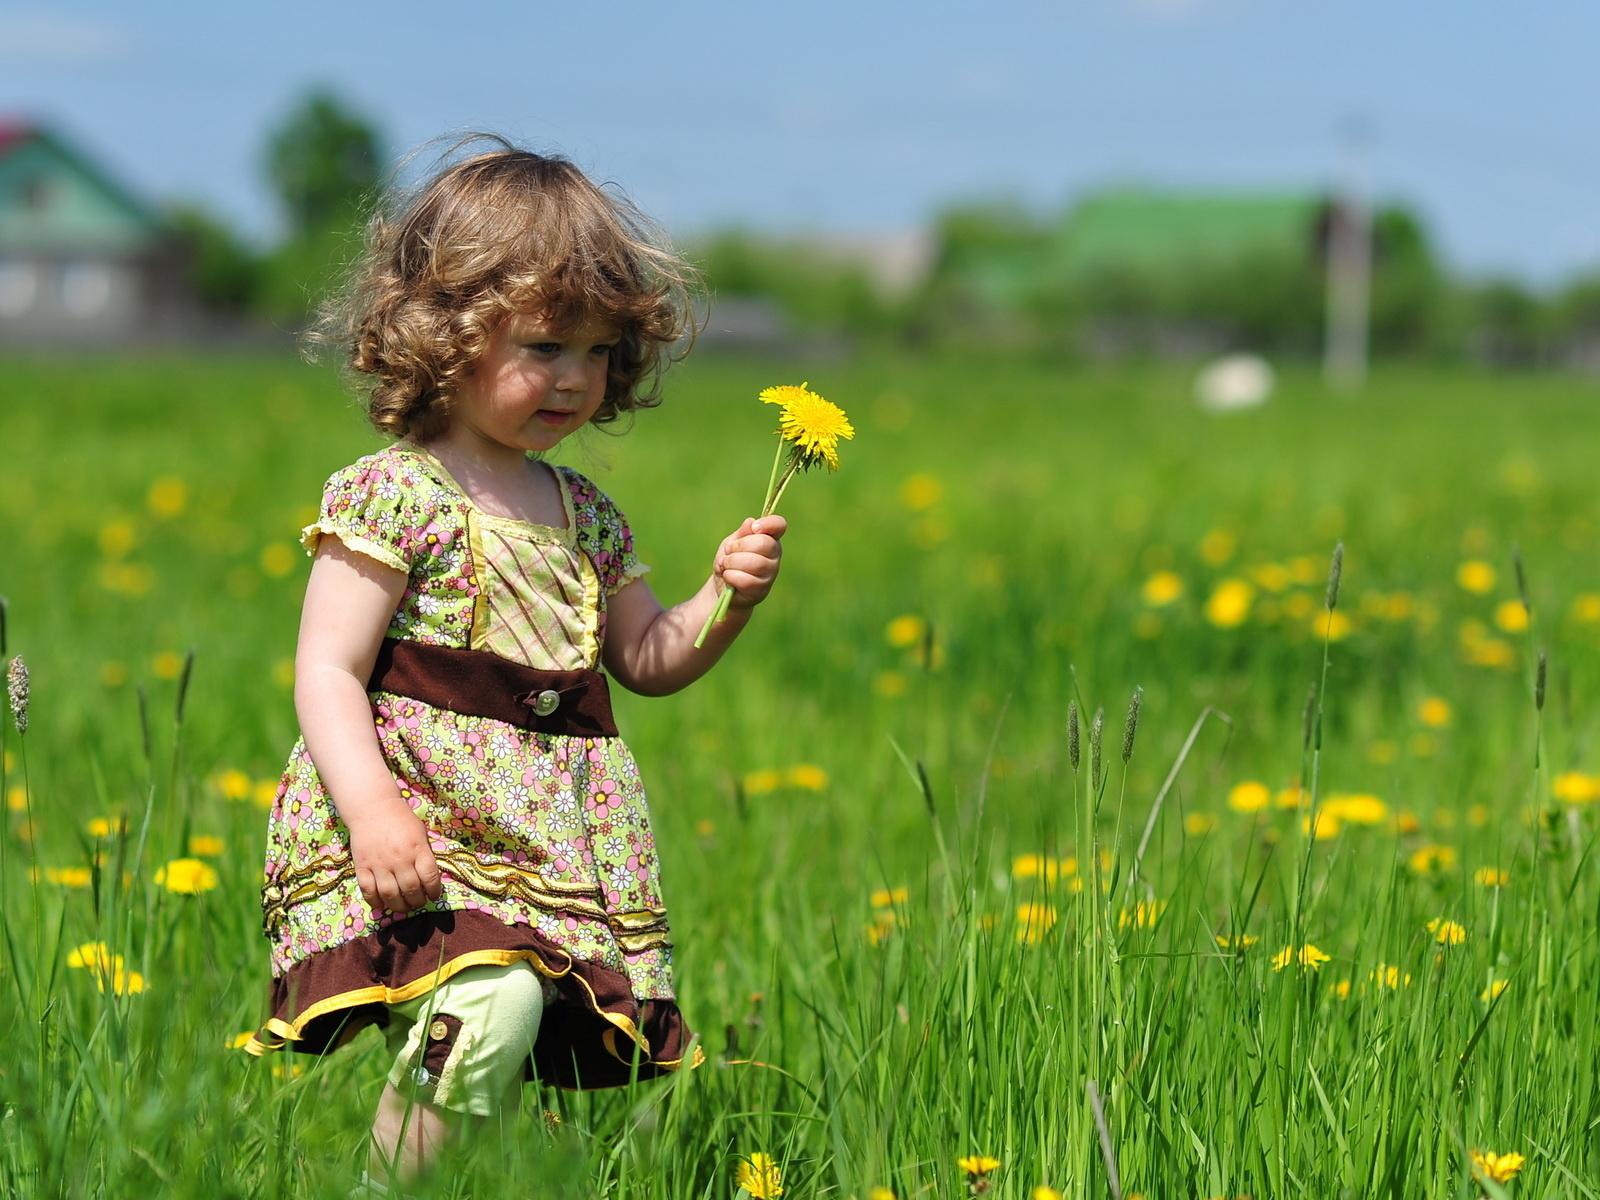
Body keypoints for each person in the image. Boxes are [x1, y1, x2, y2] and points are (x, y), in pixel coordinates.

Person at [242, 136, 788, 1195]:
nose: (575, 379)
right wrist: (371, 813)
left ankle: (440, 1173)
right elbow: (325, 670)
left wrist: (727, 600)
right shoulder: (393, 493)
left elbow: (644, 659)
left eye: (597, 352)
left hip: (549, 834)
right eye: (545, 346)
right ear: (444, 334)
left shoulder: (585, 512)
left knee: (512, 1017)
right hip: (421, 811)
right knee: (489, 1002)